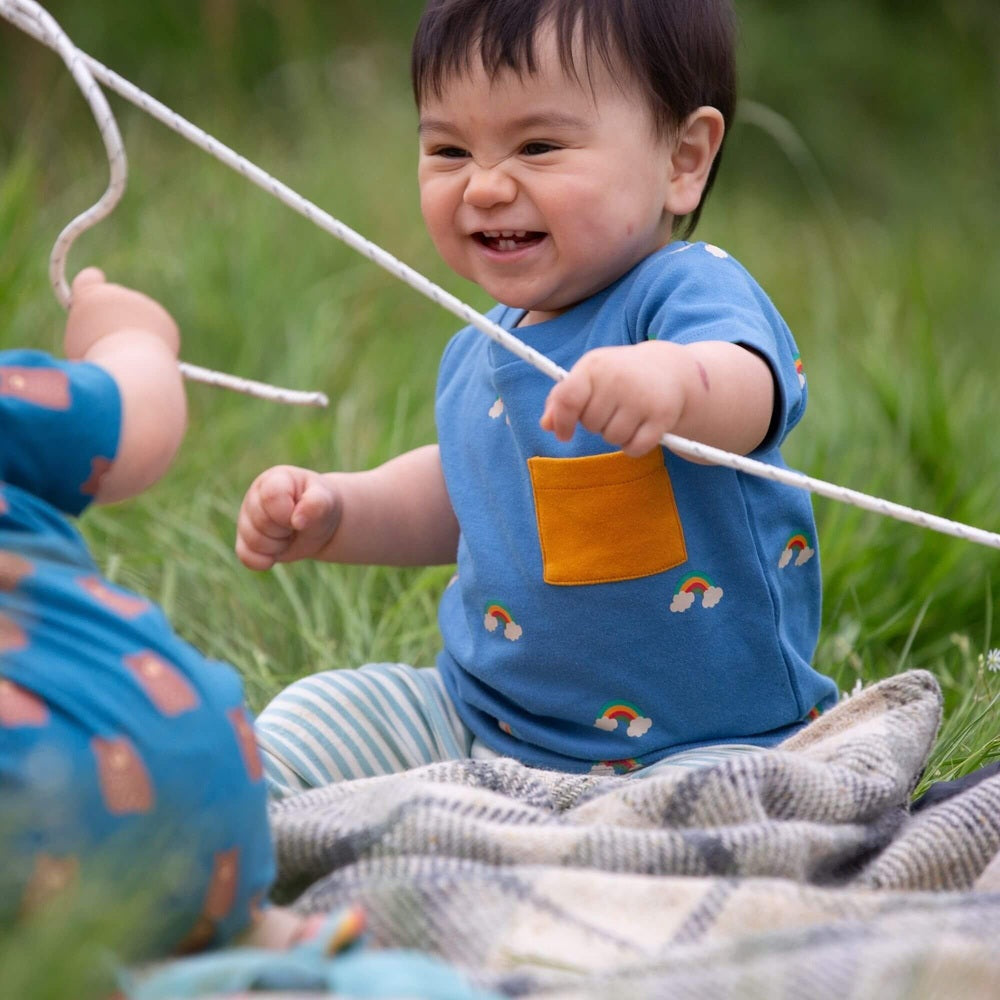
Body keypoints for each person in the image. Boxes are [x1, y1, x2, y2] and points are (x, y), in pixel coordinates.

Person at [239, 0, 839, 792]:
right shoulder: (482, 346)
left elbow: (754, 389)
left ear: (681, 160)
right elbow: (467, 492)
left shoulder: (681, 294)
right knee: (311, 718)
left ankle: (592, 854)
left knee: (732, 806)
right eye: (450, 149)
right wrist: (339, 513)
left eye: (540, 145)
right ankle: (239, 830)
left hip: (706, 741)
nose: (485, 187)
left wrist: (671, 381)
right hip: (481, 718)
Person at [0, 268, 319, 956]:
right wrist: (128, 333)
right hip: (201, 770)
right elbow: (134, 419)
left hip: (38, 822)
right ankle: (247, 936)